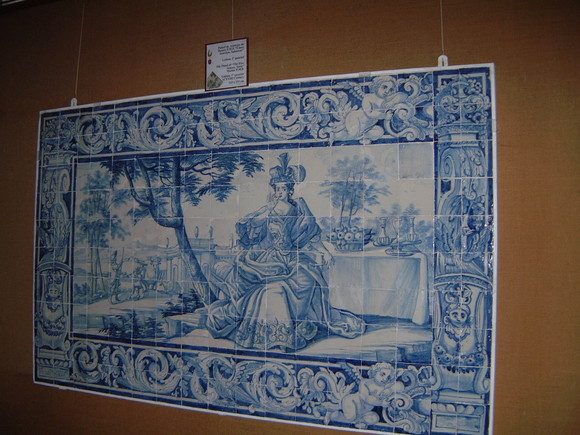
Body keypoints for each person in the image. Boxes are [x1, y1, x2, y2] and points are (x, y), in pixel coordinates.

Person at [206, 153, 364, 351]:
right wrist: (267, 211)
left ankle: (297, 323)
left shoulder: (299, 210)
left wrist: (325, 252)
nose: (280, 192)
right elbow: (251, 225)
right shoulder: (269, 209)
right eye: (277, 189)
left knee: (308, 279)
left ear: (290, 190)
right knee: (266, 288)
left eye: (283, 189)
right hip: (265, 258)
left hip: (290, 258)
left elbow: (311, 236)